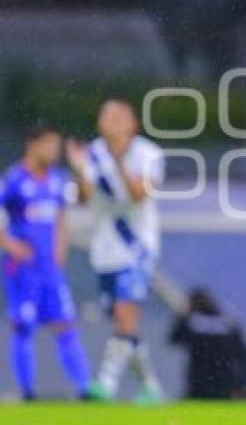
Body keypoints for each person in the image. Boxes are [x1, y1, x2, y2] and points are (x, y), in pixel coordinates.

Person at [65, 99, 165, 403]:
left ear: (133, 123)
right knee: (125, 325)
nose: (111, 122)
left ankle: (105, 384)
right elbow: (82, 199)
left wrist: (119, 160)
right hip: (104, 248)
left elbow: (138, 196)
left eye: (118, 116)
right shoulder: (92, 154)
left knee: (125, 314)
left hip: (137, 246)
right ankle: (151, 387)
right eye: (106, 115)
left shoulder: (149, 154)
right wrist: (80, 170)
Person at [0, 125, 91, 400]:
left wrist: (81, 169)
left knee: (65, 324)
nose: (54, 151)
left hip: (50, 269)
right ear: (32, 144)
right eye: (49, 145)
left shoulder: (57, 180)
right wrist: (10, 244)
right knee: (23, 325)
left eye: (56, 145)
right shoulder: (15, 180)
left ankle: (85, 389)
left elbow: (83, 200)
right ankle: (27, 392)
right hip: (22, 270)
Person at [169, 288, 246, 399]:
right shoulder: (227, 323)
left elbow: (174, 339)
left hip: (199, 380)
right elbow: (245, 356)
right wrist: (241, 382)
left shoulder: (191, 322)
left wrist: (183, 316)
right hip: (225, 380)